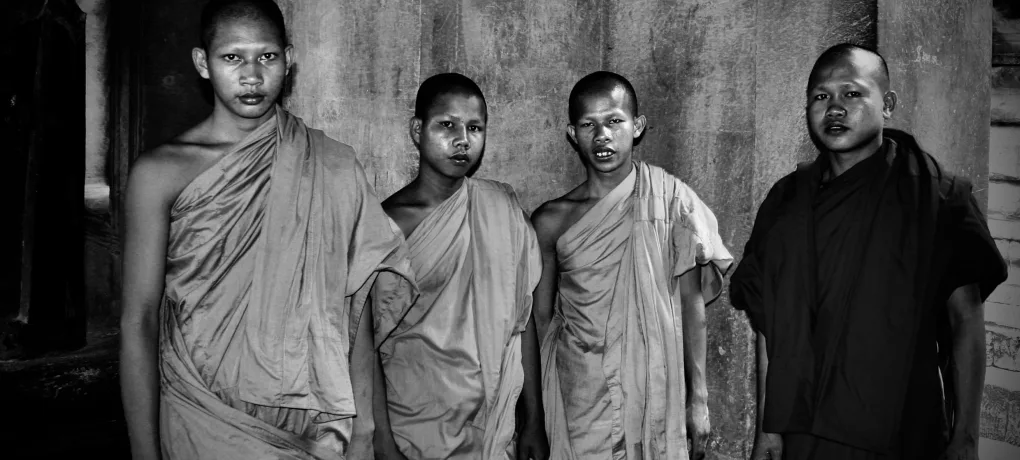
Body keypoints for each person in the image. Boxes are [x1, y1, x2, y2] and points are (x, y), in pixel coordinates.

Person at [118, 1, 419, 458]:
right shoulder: (161, 173)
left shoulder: (333, 165)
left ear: (290, 59)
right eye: (233, 57)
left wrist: (366, 430)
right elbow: (138, 320)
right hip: (201, 415)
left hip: (314, 428)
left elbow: (352, 313)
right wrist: (144, 452)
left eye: (267, 57)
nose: (253, 75)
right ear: (203, 62)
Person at [731, 43, 1008, 460]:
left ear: (888, 103)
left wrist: (966, 436)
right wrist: (768, 432)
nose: (835, 109)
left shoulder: (935, 196)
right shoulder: (785, 202)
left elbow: (964, 319)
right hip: (803, 433)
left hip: (900, 427)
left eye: (852, 93)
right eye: (821, 97)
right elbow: (770, 326)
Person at [531, 71, 734, 460]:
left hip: (655, 393)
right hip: (580, 396)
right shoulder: (552, 221)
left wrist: (699, 399)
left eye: (614, 121)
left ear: (637, 126)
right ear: (572, 133)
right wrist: (535, 416)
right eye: (588, 124)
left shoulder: (670, 199)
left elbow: (691, 307)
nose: (602, 135)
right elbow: (539, 323)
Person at [376, 72, 549, 460]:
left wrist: (534, 419)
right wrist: (381, 442)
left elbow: (523, 323)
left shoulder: (501, 209)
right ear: (417, 130)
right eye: (447, 125)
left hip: (493, 424)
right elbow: (363, 345)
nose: (462, 140)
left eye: (475, 127)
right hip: (414, 425)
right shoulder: (387, 226)